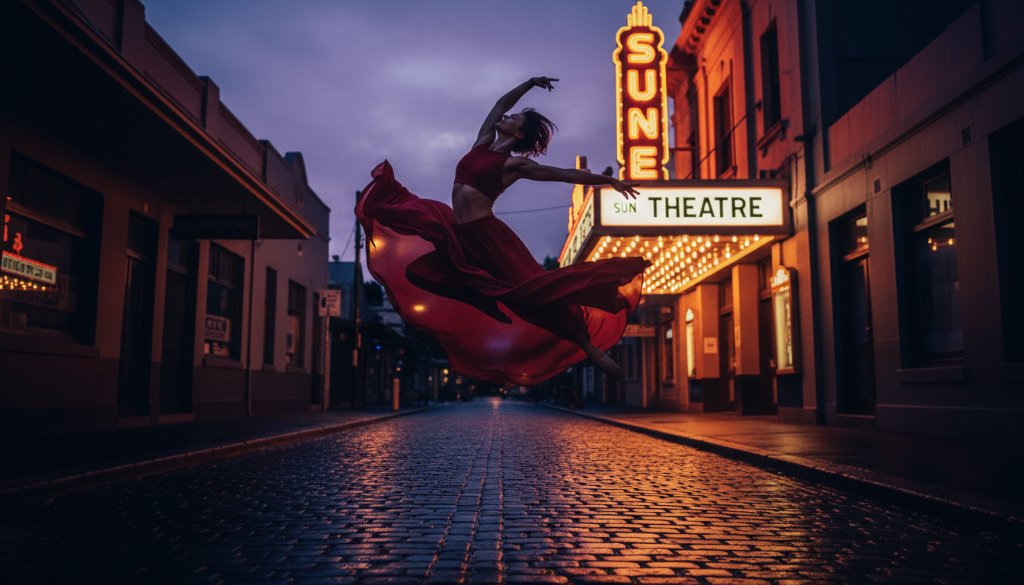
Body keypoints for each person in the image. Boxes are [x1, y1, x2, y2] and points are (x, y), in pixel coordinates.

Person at [355, 77, 650, 386]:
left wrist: (610, 182)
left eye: (514, 118)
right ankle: (482, 296)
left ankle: (587, 344)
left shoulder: (514, 165)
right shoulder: (481, 143)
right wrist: (529, 84)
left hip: (488, 238)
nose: (507, 117)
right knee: (419, 269)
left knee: (533, 292)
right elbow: (500, 104)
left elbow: (562, 174)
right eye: (510, 115)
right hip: (457, 230)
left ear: (518, 133)